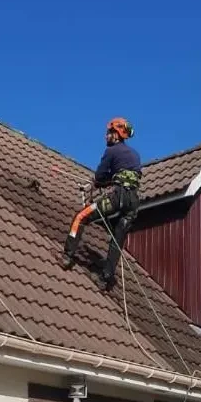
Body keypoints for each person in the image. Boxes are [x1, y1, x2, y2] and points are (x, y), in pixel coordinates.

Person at [63, 118, 141, 290]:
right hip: (133, 203)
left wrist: (96, 184)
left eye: (109, 133)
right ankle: (106, 278)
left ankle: (67, 256)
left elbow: (100, 177)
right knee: (117, 239)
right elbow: (122, 176)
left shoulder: (111, 151)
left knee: (81, 217)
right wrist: (105, 183)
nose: (106, 136)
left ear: (117, 134)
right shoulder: (134, 155)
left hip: (117, 198)